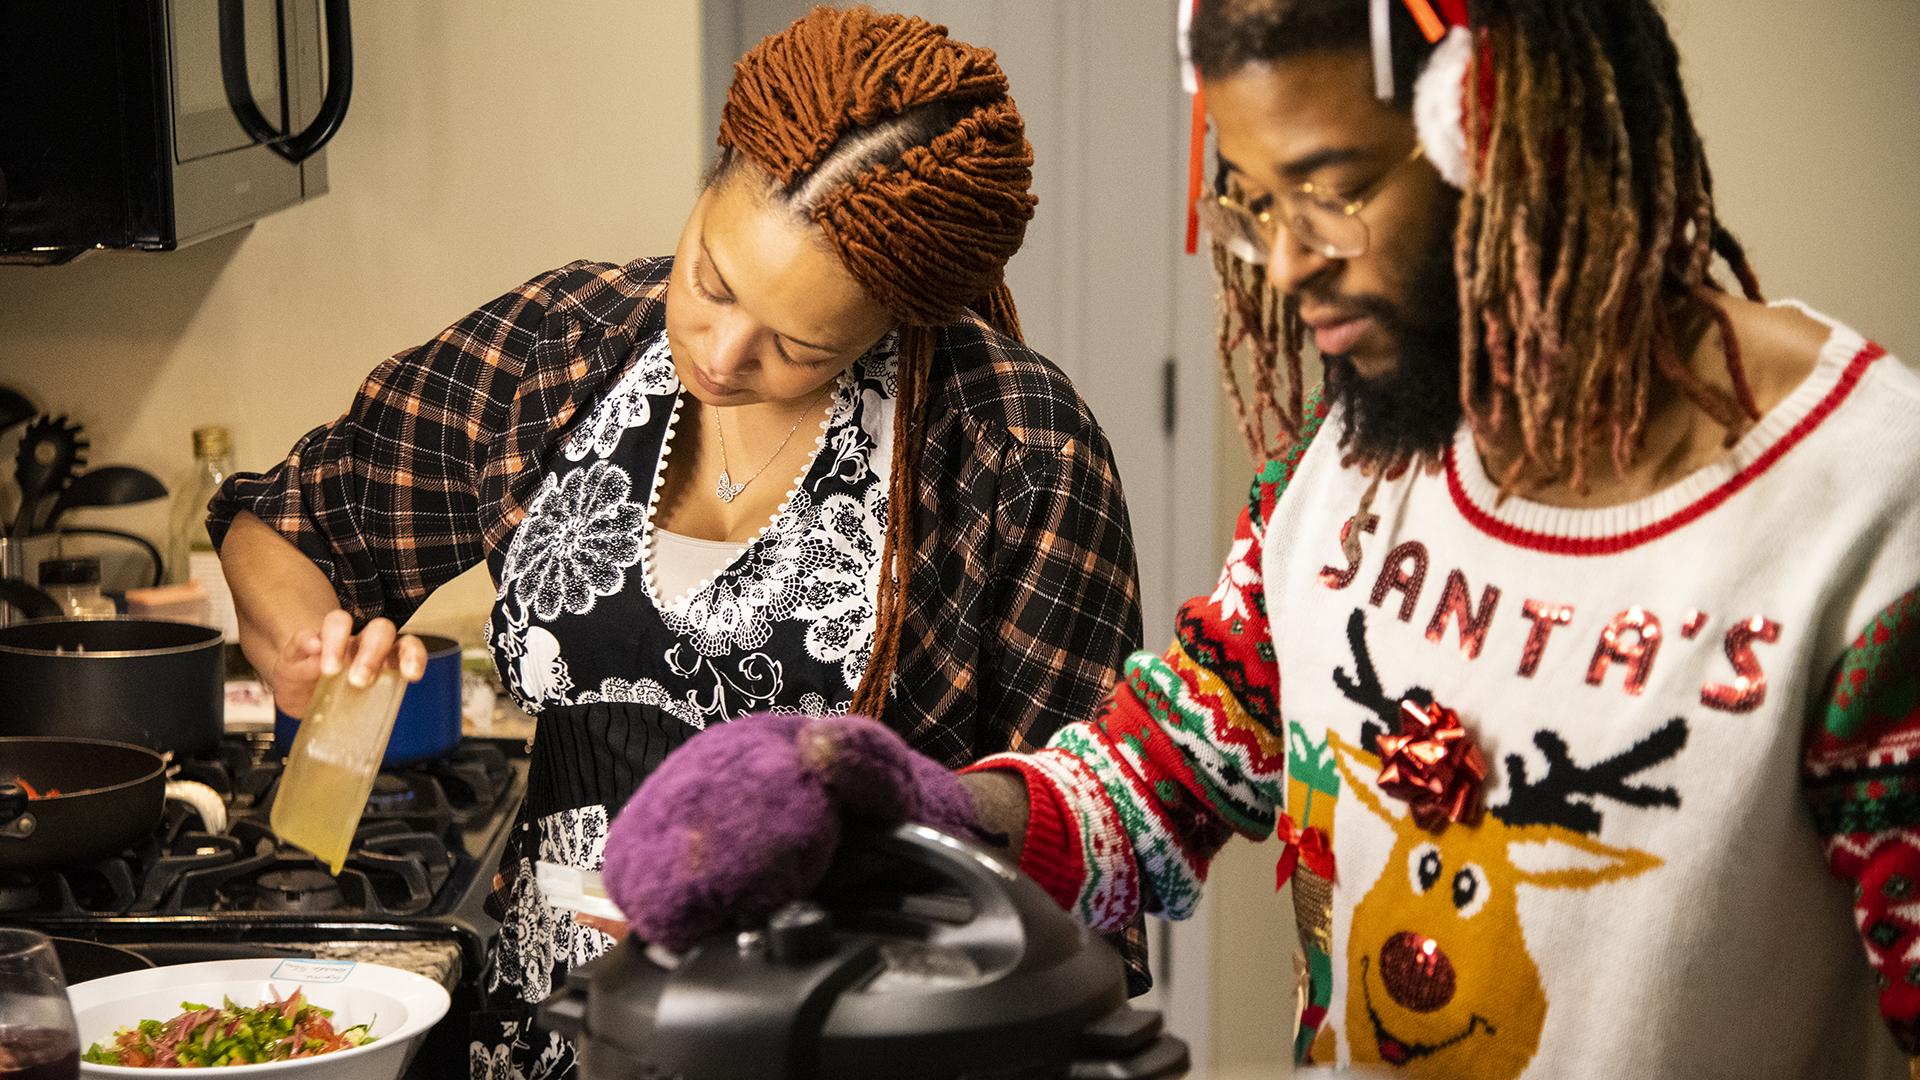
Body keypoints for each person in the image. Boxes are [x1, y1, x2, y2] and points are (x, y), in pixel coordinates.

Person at [607, 0, 1920, 1076]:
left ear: (1521, 136)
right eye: (1251, 202)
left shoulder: (1862, 518)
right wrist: (914, 805)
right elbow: (1151, 785)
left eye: (1330, 193)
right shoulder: (1343, 476)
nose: (1285, 264)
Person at [207, 8, 1147, 1080]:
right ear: (710, 183)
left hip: (839, 1045)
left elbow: (1090, 855)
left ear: (896, 317)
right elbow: (291, 520)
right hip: (550, 1036)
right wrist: (298, 638)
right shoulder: (560, 348)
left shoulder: (1015, 450)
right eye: (710, 278)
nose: (721, 350)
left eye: (799, 346)